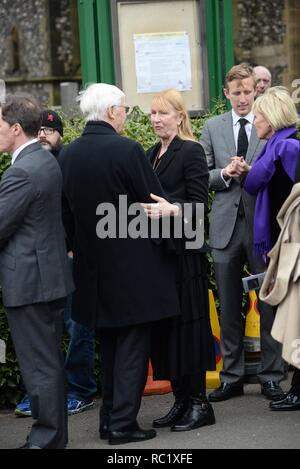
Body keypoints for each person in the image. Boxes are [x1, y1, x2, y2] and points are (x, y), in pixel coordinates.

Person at [58, 83, 180, 445]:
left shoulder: (68, 153)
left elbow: (65, 213)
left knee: (110, 345)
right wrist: (175, 211)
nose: (127, 114)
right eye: (125, 108)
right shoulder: (127, 150)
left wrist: (72, 247)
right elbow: (152, 199)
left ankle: (109, 420)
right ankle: (123, 425)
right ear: (111, 111)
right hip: (132, 267)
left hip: (91, 268)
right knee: (131, 347)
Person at [200, 63, 285, 402]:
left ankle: (272, 375)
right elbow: (201, 175)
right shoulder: (211, 127)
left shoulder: (268, 125)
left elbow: (278, 172)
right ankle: (232, 376)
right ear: (226, 93)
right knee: (229, 303)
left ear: (256, 91)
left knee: (269, 302)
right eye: (236, 93)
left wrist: (252, 172)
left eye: (248, 92)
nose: (243, 98)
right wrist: (224, 172)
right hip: (224, 228)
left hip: (263, 226)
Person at [0, 95, 74, 449]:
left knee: (39, 367)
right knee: (48, 364)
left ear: (15, 128)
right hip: (46, 278)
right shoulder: (42, 160)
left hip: (30, 282)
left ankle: (46, 440)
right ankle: (52, 436)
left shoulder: (22, 171)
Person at [15, 110, 97, 418]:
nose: (44, 134)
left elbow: (82, 210)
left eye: (50, 129)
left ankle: (81, 391)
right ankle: (45, 395)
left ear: (60, 133)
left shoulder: (69, 163)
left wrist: (75, 249)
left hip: (71, 259)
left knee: (77, 328)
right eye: (39, 129)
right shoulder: (29, 164)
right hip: (43, 261)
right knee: (45, 330)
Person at [142, 89, 215, 432]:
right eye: (153, 113)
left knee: (191, 328)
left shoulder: (192, 151)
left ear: (180, 116)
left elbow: (200, 209)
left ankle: (200, 404)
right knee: (169, 331)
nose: (156, 119)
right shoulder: (151, 153)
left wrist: (172, 209)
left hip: (186, 255)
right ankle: (181, 400)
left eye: (163, 113)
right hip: (161, 256)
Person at [243, 87, 300, 411]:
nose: (255, 120)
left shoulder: (289, 148)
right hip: (282, 247)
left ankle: (296, 390)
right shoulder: (272, 149)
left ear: (274, 117)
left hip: (294, 248)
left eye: (260, 114)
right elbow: (256, 183)